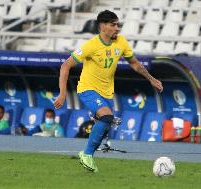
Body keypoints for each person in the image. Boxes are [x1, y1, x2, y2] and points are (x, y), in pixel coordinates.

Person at [54, 10, 163, 173]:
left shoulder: (121, 42)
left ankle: (89, 148)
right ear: (103, 26)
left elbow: (135, 64)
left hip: (106, 93)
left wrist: (151, 78)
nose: (117, 28)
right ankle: (87, 154)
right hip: (87, 89)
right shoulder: (91, 45)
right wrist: (63, 93)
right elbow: (65, 65)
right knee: (106, 117)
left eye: (118, 25)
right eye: (113, 25)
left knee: (105, 124)